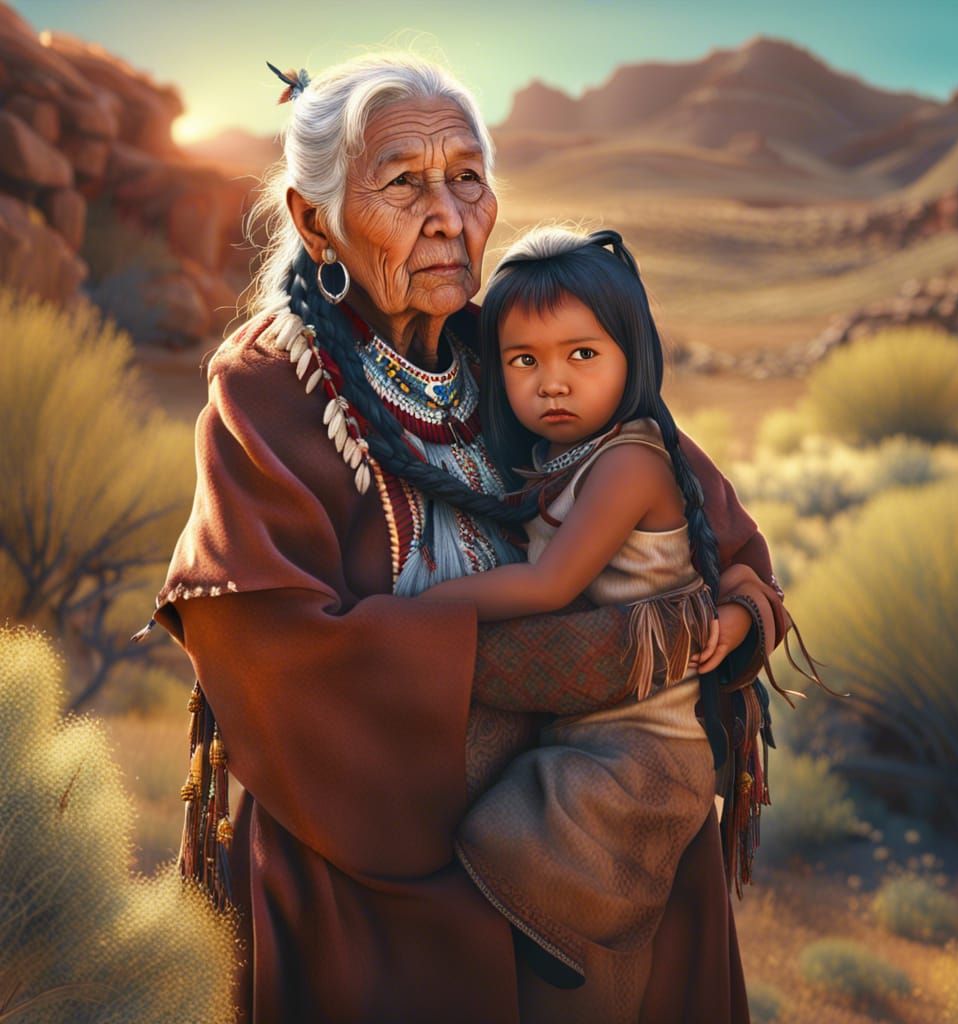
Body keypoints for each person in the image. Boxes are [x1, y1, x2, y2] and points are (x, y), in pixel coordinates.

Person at [152, 52, 795, 1023]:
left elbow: (710, 522)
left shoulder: (512, 348)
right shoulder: (269, 390)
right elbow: (266, 646)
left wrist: (733, 616)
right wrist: (566, 661)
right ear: (313, 219)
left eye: (466, 176)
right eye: (403, 183)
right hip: (379, 861)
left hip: (602, 830)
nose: (449, 215)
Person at [417, 227, 821, 1019]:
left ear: (632, 357)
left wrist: (415, 612)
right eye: (524, 361)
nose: (552, 383)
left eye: (582, 356)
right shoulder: (557, 458)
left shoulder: (631, 461)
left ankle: (561, 946)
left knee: (499, 837)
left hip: (643, 750)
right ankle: (552, 945)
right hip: (591, 730)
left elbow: (549, 582)